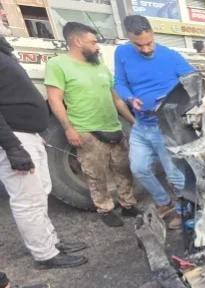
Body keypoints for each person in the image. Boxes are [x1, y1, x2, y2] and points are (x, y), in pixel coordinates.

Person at [0, 36, 87, 269]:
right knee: (27, 200)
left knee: (40, 193)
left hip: (26, 135)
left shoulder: (3, 52)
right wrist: (12, 146)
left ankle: (51, 242)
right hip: (13, 140)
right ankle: (45, 255)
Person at [45, 22, 139, 227]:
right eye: (93, 42)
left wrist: (133, 122)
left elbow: (116, 100)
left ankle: (128, 205)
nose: (97, 46)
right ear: (78, 42)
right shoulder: (57, 65)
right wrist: (69, 129)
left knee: (123, 169)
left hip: (113, 127)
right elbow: (54, 100)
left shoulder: (100, 66)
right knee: (95, 174)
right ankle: (105, 209)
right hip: (87, 131)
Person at [114, 15, 195, 229]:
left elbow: (195, 84)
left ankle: (183, 211)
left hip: (166, 127)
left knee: (175, 175)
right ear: (129, 39)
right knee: (139, 168)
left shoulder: (171, 56)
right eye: (139, 45)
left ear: (153, 35)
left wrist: (171, 102)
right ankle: (164, 202)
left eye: (149, 43)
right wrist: (130, 98)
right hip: (141, 126)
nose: (146, 49)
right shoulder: (121, 53)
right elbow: (119, 83)